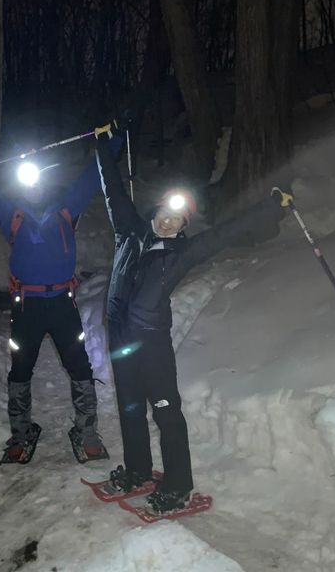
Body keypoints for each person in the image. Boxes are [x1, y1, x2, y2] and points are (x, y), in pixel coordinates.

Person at [94, 121, 288, 514]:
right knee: (130, 406)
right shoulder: (128, 232)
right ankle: (138, 471)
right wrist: (103, 148)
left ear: (183, 226)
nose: (169, 221)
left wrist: (271, 207)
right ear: (158, 210)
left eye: (178, 220)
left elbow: (225, 234)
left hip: (151, 344)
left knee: (166, 412)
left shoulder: (181, 254)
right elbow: (113, 192)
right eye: (167, 213)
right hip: (119, 338)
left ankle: (179, 484)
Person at [0, 128, 118, 465]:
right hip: (27, 307)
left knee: (79, 365)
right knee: (20, 369)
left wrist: (116, 137)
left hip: (63, 304)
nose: (37, 188)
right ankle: (21, 433)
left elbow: (95, 175)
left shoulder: (67, 210)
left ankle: (87, 431)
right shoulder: (12, 215)